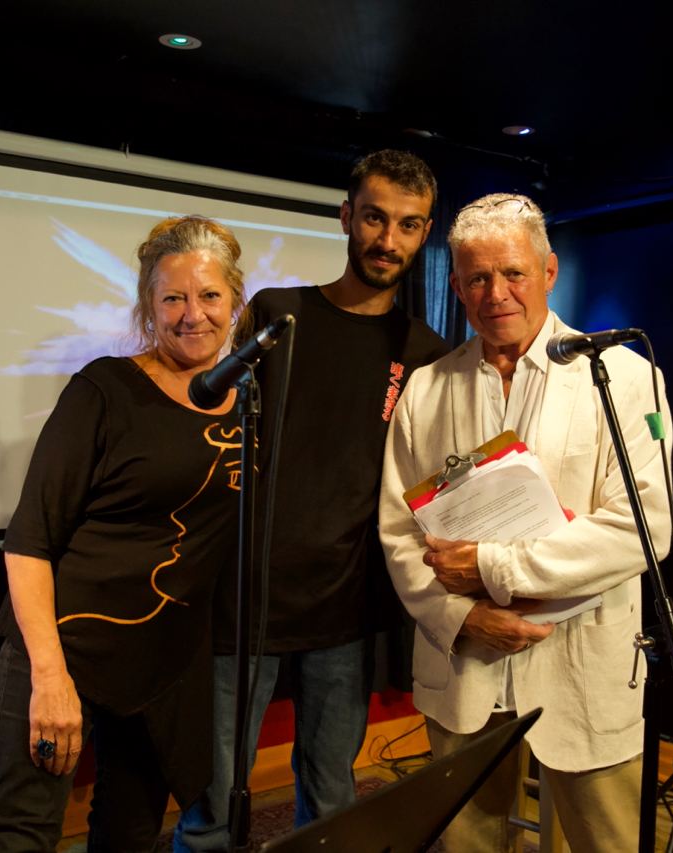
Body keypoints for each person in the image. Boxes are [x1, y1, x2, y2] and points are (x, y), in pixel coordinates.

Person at [378, 193, 673, 852]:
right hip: (465, 666)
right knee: (467, 842)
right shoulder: (425, 390)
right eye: (477, 278)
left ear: (548, 270)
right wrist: (459, 616)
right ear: (455, 286)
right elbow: (400, 531)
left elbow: (644, 526)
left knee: (605, 841)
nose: (496, 293)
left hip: (584, 664)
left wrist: (494, 568)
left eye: (512, 273)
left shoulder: (624, 377)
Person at [173, 150, 449, 851]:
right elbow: (212, 438)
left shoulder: (422, 348)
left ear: (425, 234)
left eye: (409, 225)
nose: (389, 239)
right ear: (346, 216)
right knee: (212, 809)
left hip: (347, 606)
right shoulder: (278, 314)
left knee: (330, 804)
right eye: (376, 218)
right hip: (245, 600)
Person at [0, 216, 247, 852]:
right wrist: (48, 675)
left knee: (129, 837)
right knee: (20, 836)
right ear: (148, 305)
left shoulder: (251, 403)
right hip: (65, 646)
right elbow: (29, 540)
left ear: (235, 300)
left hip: (164, 663)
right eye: (172, 297)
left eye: (208, 296)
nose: (192, 315)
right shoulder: (103, 389)